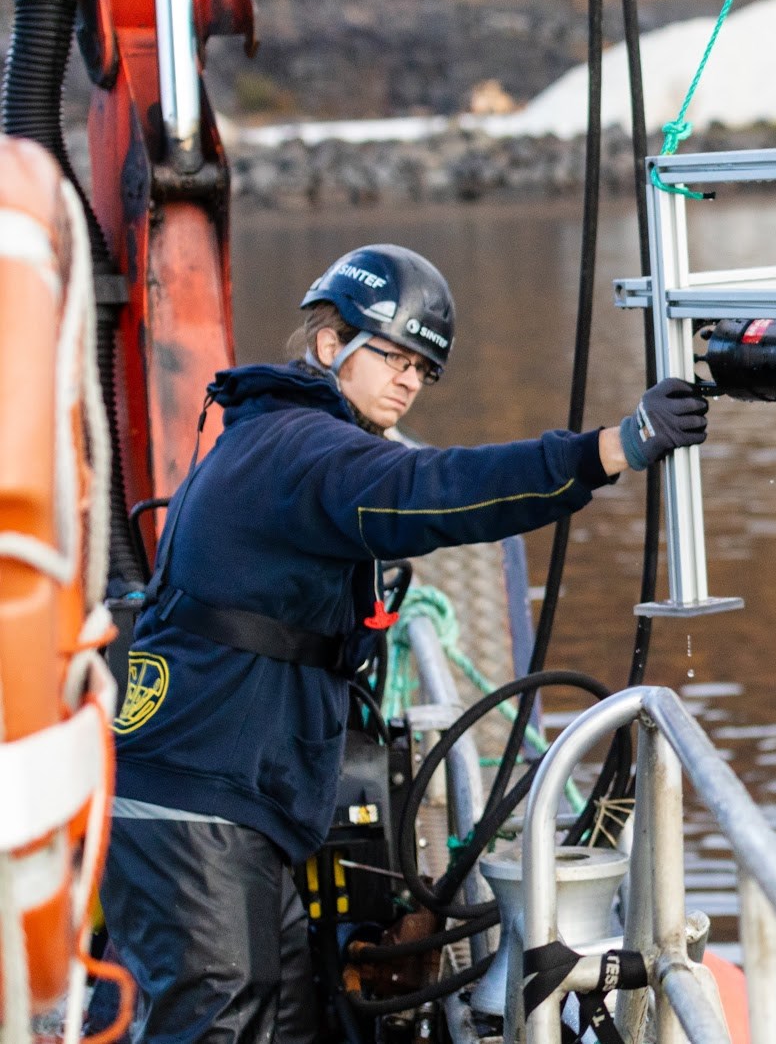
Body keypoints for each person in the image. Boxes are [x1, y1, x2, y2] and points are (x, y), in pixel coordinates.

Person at [98, 244, 706, 1042]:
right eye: (392, 354)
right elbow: (431, 492)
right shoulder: (302, 449)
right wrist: (609, 448)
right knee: (219, 1009)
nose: (409, 380)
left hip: (225, 798)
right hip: (196, 800)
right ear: (329, 346)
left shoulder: (276, 436)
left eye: (423, 368)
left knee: (280, 1008)